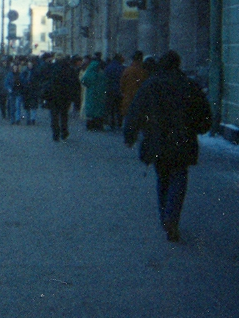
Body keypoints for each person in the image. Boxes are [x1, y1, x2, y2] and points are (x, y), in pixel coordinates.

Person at [123, 50, 212, 242]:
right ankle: (172, 217)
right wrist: (201, 127)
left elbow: (136, 111)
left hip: (157, 141)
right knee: (179, 176)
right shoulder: (188, 85)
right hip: (183, 140)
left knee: (162, 177)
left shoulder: (150, 85)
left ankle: (165, 216)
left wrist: (129, 135)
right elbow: (203, 112)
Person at [44, 55, 81, 142]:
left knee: (54, 116)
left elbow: (46, 81)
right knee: (64, 115)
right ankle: (64, 132)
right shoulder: (70, 70)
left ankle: (55, 133)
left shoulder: (52, 69)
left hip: (53, 96)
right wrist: (75, 97)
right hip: (65, 97)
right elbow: (75, 84)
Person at [80, 54, 107, 131]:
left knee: (91, 108)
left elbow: (83, 80)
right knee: (99, 108)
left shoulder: (90, 71)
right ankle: (99, 125)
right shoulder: (101, 72)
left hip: (91, 92)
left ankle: (90, 125)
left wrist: (89, 86)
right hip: (100, 93)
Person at [119, 51, 148, 119]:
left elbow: (122, 84)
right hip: (141, 99)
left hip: (128, 98)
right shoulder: (144, 71)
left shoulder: (128, 70)